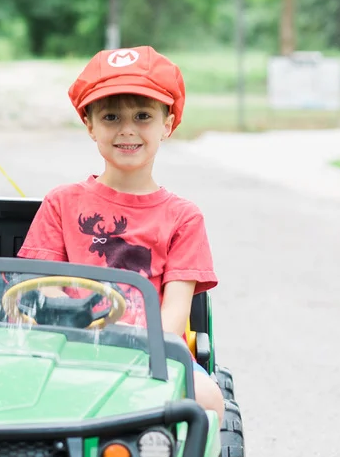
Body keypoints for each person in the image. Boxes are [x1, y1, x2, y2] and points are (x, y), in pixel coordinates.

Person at [18, 46, 225, 421]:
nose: (127, 129)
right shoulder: (61, 203)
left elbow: (174, 318)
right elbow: (43, 287)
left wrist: (138, 352)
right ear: (90, 125)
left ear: (167, 123)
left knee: (210, 399)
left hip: (153, 354)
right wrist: (75, 332)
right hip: (71, 350)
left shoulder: (183, 217)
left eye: (143, 115)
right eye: (111, 116)